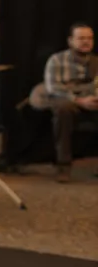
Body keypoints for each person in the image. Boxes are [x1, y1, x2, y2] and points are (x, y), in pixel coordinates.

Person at [31, 22, 98, 182]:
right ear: (70, 41)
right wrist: (79, 101)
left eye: (89, 38)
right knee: (63, 109)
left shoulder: (96, 62)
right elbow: (53, 87)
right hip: (66, 100)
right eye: (81, 38)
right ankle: (64, 165)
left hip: (91, 99)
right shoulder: (57, 60)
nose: (86, 42)